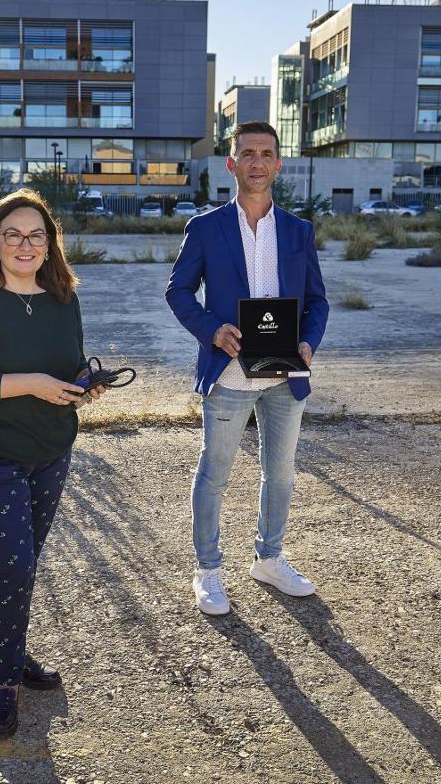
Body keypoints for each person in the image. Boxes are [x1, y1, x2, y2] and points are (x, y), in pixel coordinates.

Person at [0, 188, 109, 737]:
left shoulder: (64, 298)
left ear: (50, 243)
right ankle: (4, 682)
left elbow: (72, 362)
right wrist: (32, 384)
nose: (24, 243)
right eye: (12, 234)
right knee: (13, 565)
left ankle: (14, 653)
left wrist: (85, 386)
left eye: (36, 234)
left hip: (52, 450)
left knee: (24, 565)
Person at [165, 120, 328, 616]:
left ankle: (269, 558)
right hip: (230, 374)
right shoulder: (207, 228)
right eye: (247, 153)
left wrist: (307, 340)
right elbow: (177, 291)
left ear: (278, 164)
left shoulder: (299, 231)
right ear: (231, 163)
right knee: (214, 475)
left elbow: (317, 301)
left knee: (280, 474)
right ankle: (208, 571)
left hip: (284, 375)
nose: (257, 162)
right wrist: (212, 329)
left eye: (266, 154)